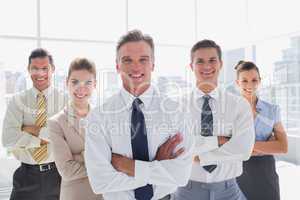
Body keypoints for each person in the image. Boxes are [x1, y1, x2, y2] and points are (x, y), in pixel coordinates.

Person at [84, 30, 194, 200]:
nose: (135, 67)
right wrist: (156, 167)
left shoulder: (177, 112)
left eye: (143, 60)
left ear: (153, 64)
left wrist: (128, 166)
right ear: (117, 66)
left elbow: (180, 175)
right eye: (127, 60)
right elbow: (100, 182)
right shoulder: (99, 117)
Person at [174, 40, 255, 200]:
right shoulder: (176, 106)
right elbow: (176, 148)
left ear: (220, 64)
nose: (206, 66)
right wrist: (219, 141)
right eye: (200, 61)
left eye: (212, 60)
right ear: (191, 66)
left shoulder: (238, 104)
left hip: (229, 191)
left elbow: (243, 149)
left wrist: (199, 156)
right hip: (186, 191)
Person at [2, 48, 66, 200]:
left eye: (45, 68)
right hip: (26, 176)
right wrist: (44, 139)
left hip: (58, 177)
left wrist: (29, 129)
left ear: (53, 70)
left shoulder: (66, 101)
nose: (40, 73)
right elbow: (8, 138)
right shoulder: (17, 101)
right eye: (35, 68)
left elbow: (67, 138)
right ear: (28, 70)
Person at [48, 58, 103, 200]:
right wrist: (101, 163)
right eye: (75, 82)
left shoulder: (104, 119)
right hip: (76, 195)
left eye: (88, 83)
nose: (81, 88)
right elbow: (66, 171)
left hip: (105, 194)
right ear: (67, 83)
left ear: (95, 85)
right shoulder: (56, 123)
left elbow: (116, 156)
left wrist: (80, 156)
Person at [235, 60, 288, 200]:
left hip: (266, 174)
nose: (249, 85)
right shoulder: (229, 112)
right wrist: (268, 145)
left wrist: (243, 147)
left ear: (259, 81)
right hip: (238, 174)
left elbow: (283, 146)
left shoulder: (272, 110)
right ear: (237, 83)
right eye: (244, 81)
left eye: (254, 80)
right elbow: (226, 148)